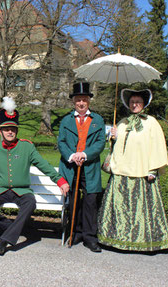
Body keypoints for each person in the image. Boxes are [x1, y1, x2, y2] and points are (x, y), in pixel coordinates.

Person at [0, 97, 70, 256]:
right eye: (6, 129)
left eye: (13, 129)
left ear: (17, 130)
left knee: (30, 203)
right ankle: (10, 226)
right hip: (0, 190)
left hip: (22, 191)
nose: (9, 132)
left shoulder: (27, 147)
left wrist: (60, 180)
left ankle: (5, 241)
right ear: (0, 131)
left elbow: (44, 165)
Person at [97, 89, 168, 252]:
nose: (134, 104)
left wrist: (153, 169)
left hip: (142, 173)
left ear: (144, 104)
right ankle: (117, 239)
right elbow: (117, 147)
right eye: (132, 102)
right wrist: (113, 136)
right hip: (122, 172)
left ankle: (142, 241)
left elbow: (157, 146)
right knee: (120, 210)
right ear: (128, 104)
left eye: (138, 102)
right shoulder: (122, 122)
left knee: (141, 212)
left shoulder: (151, 123)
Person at [57, 82, 105, 253]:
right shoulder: (66, 120)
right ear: (74, 102)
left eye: (84, 99)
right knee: (73, 201)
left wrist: (84, 154)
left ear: (89, 101)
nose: (81, 103)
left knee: (90, 202)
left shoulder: (97, 120)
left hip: (90, 167)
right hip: (71, 167)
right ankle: (75, 232)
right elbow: (61, 142)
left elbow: (100, 143)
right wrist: (72, 156)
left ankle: (90, 237)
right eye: (78, 100)